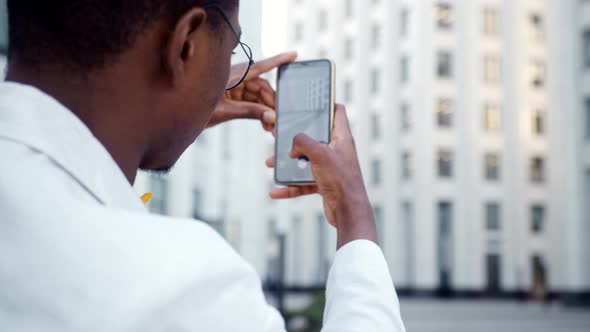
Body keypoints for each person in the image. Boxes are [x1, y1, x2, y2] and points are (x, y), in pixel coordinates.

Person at [0, 1, 406, 331]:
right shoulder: (183, 285)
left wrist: (167, 100)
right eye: (231, 53)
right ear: (185, 45)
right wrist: (355, 216)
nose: (225, 80)